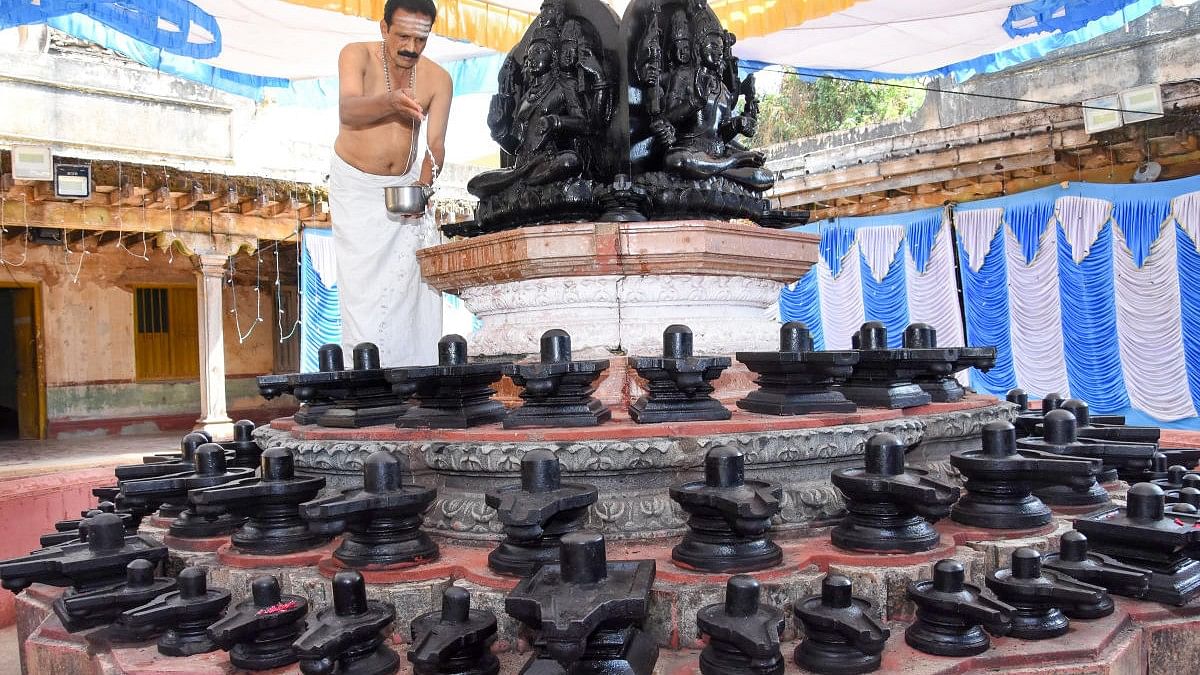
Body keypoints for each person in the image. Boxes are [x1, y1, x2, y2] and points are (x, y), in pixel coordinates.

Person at [330, 0, 452, 367]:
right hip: (355, 189)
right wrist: (390, 103)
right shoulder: (356, 56)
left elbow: (435, 145)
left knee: (413, 288)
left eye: (421, 40)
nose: (411, 48)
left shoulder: (439, 79)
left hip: (404, 192)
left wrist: (424, 186)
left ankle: (416, 376)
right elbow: (348, 111)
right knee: (363, 295)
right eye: (403, 37)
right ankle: (368, 375)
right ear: (384, 29)